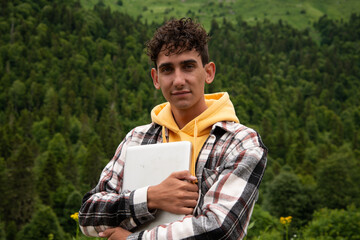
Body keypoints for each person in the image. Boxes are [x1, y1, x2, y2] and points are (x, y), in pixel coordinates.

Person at [79, 18, 267, 240]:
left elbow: (221, 229)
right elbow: (88, 217)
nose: (178, 80)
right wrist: (150, 198)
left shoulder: (241, 143)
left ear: (208, 72)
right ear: (156, 78)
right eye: (167, 70)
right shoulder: (136, 139)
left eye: (188, 66)